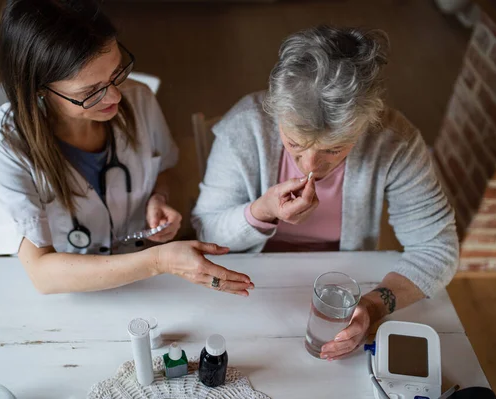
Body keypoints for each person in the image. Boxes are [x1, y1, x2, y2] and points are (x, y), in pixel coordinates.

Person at [192, 26, 459, 359]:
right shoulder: (243, 127)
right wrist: (261, 211)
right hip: (250, 285)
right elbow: (205, 230)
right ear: (277, 114)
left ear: (367, 122)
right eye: (295, 145)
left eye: (334, 149)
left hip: (345, 287)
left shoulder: (394, 141)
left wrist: (374, 307)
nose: (312, 166)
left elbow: (437, 249)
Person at [0, 0, 253, 296]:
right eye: (91, 92)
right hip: (72, 294)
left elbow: (168, 170)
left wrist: (160, 197)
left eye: (117, 73)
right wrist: (159, 261)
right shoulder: (2, 143)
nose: (116, 97)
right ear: (39, 89)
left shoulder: (140, 99)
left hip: (146, 284)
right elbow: (42, 273)